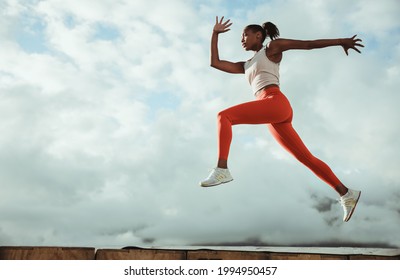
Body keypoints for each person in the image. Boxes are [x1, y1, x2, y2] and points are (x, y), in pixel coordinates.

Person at [200, 16, 364, 222]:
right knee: (305, 158)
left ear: (258, 35)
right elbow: (215, 63)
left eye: (244, 35)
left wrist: (341, 41)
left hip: (275, 102)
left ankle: (222, 169)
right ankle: (346, 193)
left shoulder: (272, 48)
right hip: (272, 113)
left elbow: (308, 45)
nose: (242, 40)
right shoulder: (246, 64)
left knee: (224, 116)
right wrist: (215, 34)